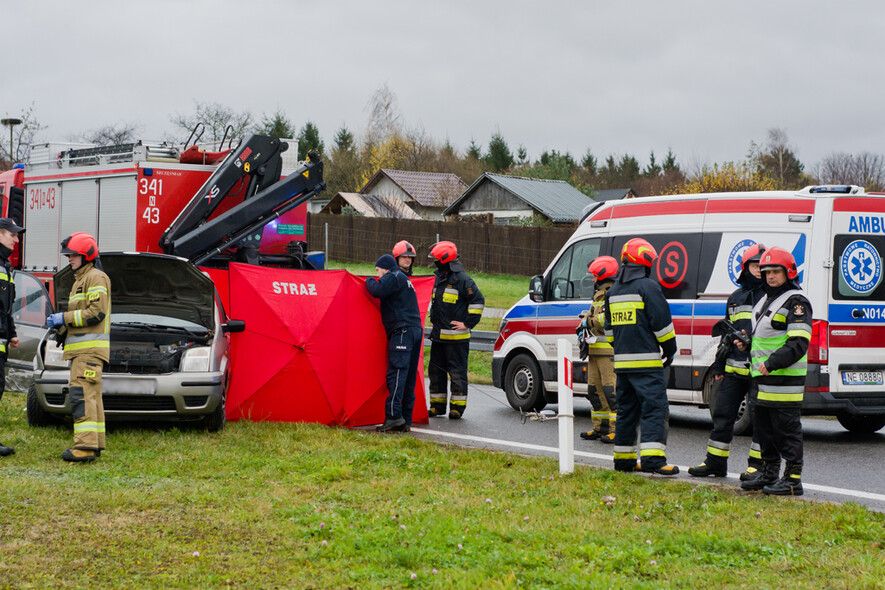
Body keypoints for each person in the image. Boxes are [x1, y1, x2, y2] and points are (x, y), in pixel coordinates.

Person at [689, 243, 766, 479]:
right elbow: (726, 333)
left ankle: (758, 467)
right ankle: (715, 463)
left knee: (761, 421)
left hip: (759, 370)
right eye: (755, 266)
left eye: (763, 266)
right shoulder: (736, 297)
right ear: (745, 267)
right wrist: (720, 364)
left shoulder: (771, 295)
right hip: (733, 369)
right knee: (722, 416)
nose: (759, 271)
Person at [738, 247, 811, 496]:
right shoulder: (766, 299)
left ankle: (792, 479)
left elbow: (798, 343)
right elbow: (767, 337)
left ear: (788, 272)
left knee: (786, 431)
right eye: (766, 271)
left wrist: (771, 363)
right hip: (762, 380)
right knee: (765, 431)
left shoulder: (796, 302)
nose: (770, 276)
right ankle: (769, 473)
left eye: (776, 271)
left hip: (783, 381)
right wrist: (747, 343)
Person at [605, 238, 679, 475]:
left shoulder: (613, 291)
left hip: (622, 366)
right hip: (647, 365)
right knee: (655, 409)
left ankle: (624, 461)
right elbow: (662, 325)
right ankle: (653, 460)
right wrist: (669, 350)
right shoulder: (648, 287)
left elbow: (609, 332)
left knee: (627, 411)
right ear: (645, 262)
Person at [46, 233, 111, 462]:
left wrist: (63, 318)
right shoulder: (81, 280)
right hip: (84, 352)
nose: (69, 259)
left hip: (88, 352)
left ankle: (84, 448)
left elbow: (96, 313)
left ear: (87, 255)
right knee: (90, 397)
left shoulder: (95, 278)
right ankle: (94, 445)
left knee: (81, 396)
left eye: (73, 255)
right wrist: (61, 328)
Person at [365, 254, 423, 433]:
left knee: (397, 374)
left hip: (402, 331)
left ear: (385, 267)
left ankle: (393, 415)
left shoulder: (394, 276)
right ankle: (406, 418)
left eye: (378, 271)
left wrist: (368, 280)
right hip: (414, 330)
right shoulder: (404, 279)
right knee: (409, 377)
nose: (378, 275)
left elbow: (376, 290)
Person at [427, 241, 484, 419]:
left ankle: (457, 408)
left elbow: (478, 301)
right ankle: (437, 406)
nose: (434, 263)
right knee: (436, 373)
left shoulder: (463, 280)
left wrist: (467, 323)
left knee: (457, 374)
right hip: (438, 338)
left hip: (457, 340)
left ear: (445, 260)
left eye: (436, 260)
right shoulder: (438, 279)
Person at [577, 255, 619, 443]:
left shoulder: (612, 293)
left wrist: (589, 321)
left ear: (603, 276)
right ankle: (600, 428)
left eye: (595, 276)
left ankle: (616, 430)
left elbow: (605, 320)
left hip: (608, 353)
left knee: (611, 392)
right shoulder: (599, 294)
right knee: (594, 391)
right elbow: (596, 316)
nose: (593, 280)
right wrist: (583, 322)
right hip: (595, 351)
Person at [0, 218, 25, 457]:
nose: (16, 240)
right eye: (12, 235)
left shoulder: (4, 266)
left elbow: (5, 308)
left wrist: (12, 334)